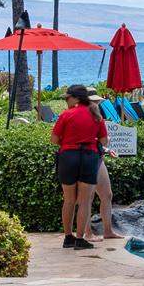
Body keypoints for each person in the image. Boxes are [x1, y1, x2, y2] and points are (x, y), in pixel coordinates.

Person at [51, 86, 106, 250]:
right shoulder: (96, 114)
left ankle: (68, 237)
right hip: (89, 157)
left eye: (67, 98)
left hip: (68, 157)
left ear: (76, 98)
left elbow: (54, 139)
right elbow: (104, 141)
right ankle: (80, 239)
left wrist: (68, 144)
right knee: (84, 202)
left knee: (69, 200)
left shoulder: (66, 115)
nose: (66, 101)